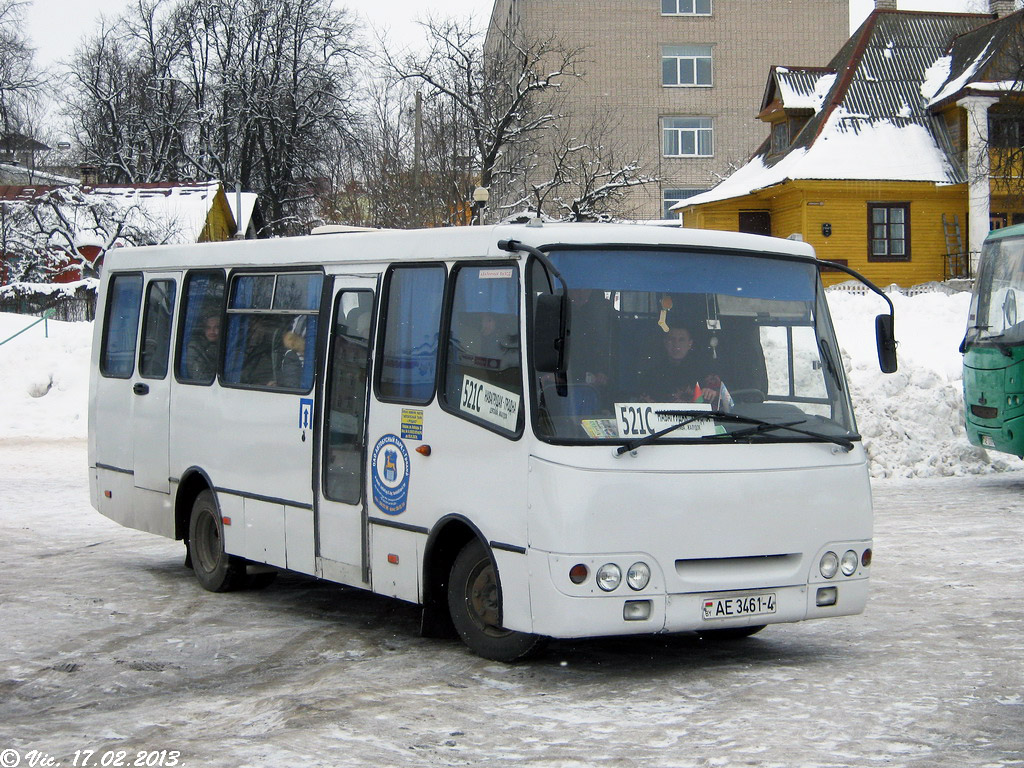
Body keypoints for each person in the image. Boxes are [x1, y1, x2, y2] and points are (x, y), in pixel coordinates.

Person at [639, 324, 729, 407]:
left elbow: (727, 400)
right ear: (665, 343)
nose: (676, 345)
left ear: (690, 344)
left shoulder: (704, 371)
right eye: (672, 340)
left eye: (681, 340)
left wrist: (713, 393)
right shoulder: (653, 375)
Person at [186, 315, 220, 381]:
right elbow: (198, 375)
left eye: (216, 327)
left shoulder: (227, 347)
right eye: (208, 328)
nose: (212, 331)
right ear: (204, 330)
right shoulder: (194, 347)